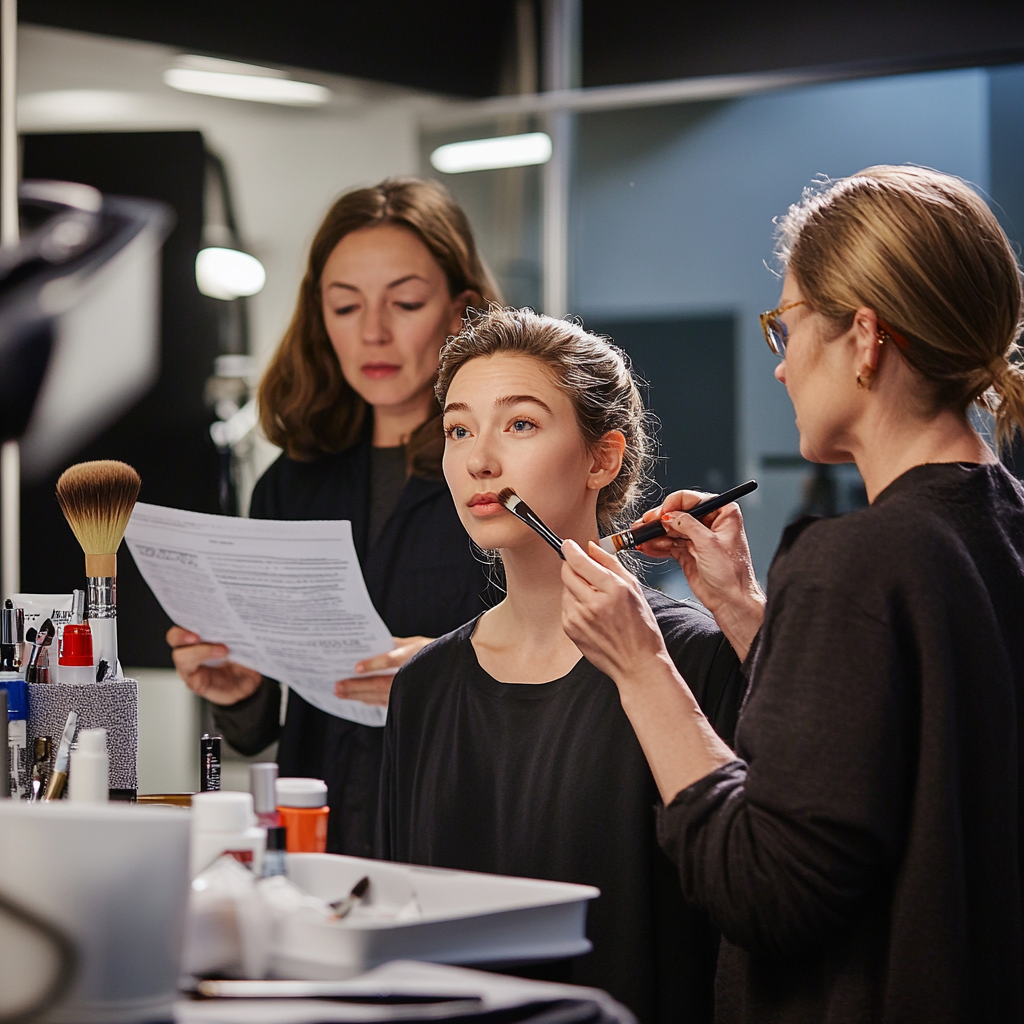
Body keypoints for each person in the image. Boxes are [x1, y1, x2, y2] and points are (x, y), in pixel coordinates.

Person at [558, 166, 1024, 1023]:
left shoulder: (856, 560)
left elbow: (764, 888)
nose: (780, 368)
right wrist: (742, 607)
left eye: (787, 326)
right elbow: (882, 753)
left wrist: (641, 667)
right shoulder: (995, 527)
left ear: (866, 338)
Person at [378, 307, 748, 1024]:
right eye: (459, 430)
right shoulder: (424, 688)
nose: (479, 459)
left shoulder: (692, 660)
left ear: (601, 459)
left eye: (518, 424)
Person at [166, 178, 501, 856]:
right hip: (316, 842)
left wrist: (442, 677)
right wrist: (239, 690)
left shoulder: (499, 479)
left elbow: (574, 676)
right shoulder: (290, 487)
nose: (373, 332)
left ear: (462, 310)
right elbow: (260, 728)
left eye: (405, 302)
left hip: (462, 839)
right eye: (345, 306)